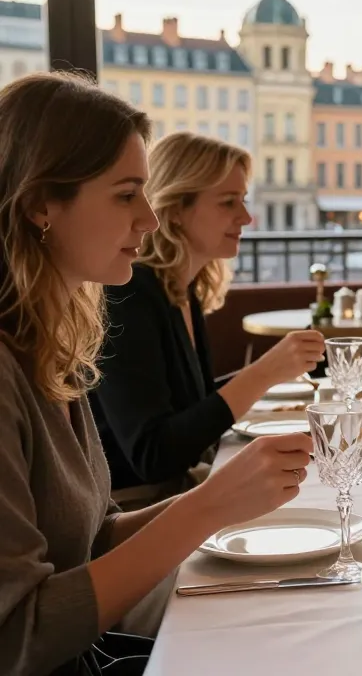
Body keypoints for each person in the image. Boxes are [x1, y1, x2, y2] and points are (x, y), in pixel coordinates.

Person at [0, 73, 313, 675]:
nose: (149, 218)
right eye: (125, 195)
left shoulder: (51, 344)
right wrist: (208, 507)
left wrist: (221, 499)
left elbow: (90, 540)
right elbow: (17, 636)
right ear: (42, 202)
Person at [89, 133, 325, 505]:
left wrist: (279, 371)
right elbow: (154, 456)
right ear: (177, 209)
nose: (246, 217)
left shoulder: (181, 289)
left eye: (243, 201)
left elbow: (190, 406)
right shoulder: (128, 294)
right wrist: (263, 373)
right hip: (133, 507)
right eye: (229, 202)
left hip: (179, 488)